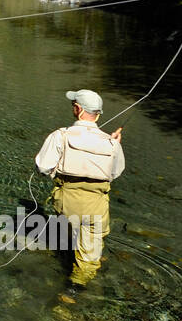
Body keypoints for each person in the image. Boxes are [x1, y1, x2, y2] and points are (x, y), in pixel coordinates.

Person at [34, 89, 125, 293]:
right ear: (98, 114)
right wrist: (113, 145)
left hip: (67, 203)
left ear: (77, 109)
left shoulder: (61, 136)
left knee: (68, 238)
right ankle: (74, 291)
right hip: (97, 206)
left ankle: (66, 266)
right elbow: (115, 173)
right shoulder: (112, 144)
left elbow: (42, 167)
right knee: (90, 255)